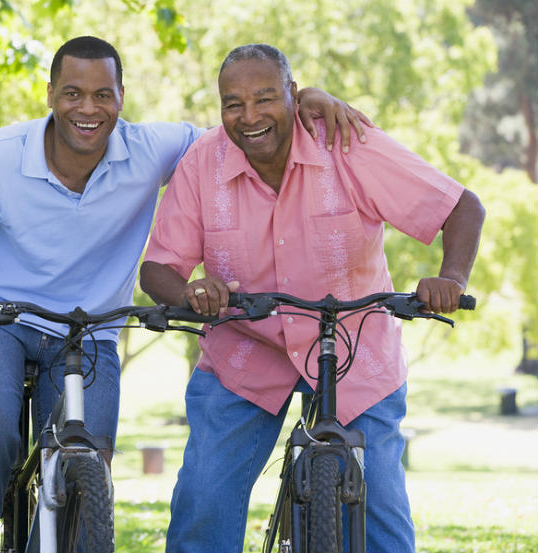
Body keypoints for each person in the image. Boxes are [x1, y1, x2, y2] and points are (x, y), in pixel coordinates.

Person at [0, 37, 372, 552]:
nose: (88, 108)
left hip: (91, 328)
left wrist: (306, 99)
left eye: (103, 94)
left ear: (122, 97)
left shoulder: (156, 148)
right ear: (49, 93)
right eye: (72, 92)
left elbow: (241, 133)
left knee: (89, 456)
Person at [139, 43, 485, 553]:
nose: (249, 116)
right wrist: (190, 289)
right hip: (245, 353)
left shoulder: (346, 144)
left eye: (264, 98)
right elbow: (157, 267)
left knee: (382, 518)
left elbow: (462, 207)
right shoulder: (201, 164)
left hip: (355, 352)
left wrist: (450, 278)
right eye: (233, 103)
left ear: (293, 96)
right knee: (202, 503)